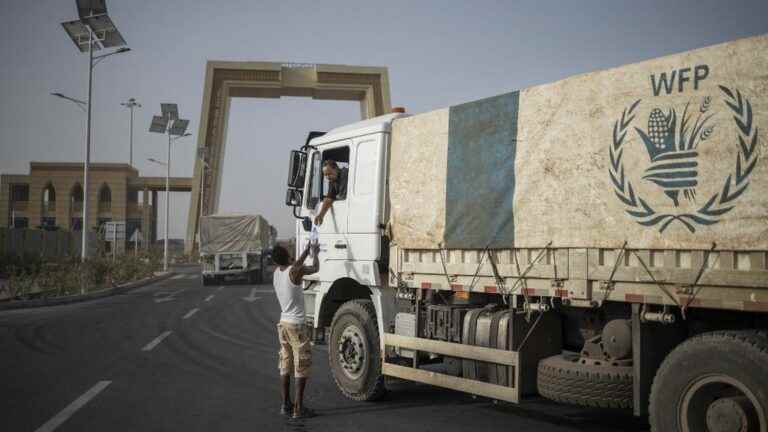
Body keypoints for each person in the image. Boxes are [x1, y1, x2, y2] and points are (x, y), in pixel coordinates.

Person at [271, 242, 320, 419]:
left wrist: (305, 252)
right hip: (297, 325)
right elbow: (315, 267)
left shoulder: (276, 273)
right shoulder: (294, 271)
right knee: (302, 364)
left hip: (283, 324)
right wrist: (314, 252)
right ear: (286, 256)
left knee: (285, 363)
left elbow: (297, 263)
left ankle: (285, 405)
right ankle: (298, 409)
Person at [313, 159, 348, 226]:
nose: (327, 177)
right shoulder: (333, 180)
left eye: (329, 174)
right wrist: (321, 215)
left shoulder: (344, 174)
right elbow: (329, 198)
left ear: (336, 169)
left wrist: (336, 197)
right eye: (325, 175)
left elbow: (342, 196)